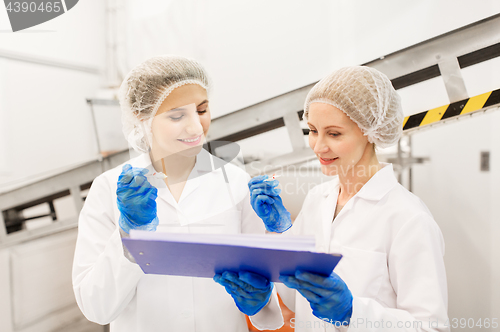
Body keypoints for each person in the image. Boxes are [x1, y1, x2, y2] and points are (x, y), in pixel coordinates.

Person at [72, 55, 283, 332]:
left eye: (202, 110)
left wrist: (261, 299)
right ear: (142, 116)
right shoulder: (109, 188)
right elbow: (96, 307)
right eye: (176, 115)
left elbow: (262, 296)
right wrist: (129, 236)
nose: (196, 127)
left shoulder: (236, 183)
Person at [247, 66, 449, 331]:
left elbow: (431, 327)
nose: (318, 146)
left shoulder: (408, 219)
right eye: (312, 130)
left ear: (370, 131)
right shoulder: (318, 200)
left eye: (334, 133)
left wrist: (352, 312)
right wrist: (281, 235)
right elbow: (298, 301)